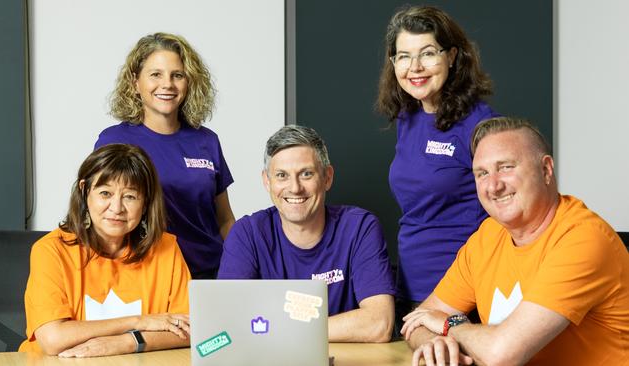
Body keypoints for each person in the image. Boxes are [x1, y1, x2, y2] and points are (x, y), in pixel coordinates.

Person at [401, 117, 629, 365]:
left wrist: (451, 326)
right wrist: (435, 343)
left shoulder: (583, 239)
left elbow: (502, 355)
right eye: (482, 173)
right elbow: (417, 321)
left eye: (506, 167)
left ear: (546, 170)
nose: (493, 185)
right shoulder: (487, 236)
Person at [375, 5, 498, 328]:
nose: (414, 67)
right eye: (403, 56)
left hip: (461, 297)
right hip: (410, 289)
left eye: (428, 53)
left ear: (453, 56)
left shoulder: (479, 124)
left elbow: (503, 216)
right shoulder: (409, 116)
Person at [218, 125, 395, 343]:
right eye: (282, 175)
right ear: (267, 181)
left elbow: (379, 324)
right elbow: (228, 323)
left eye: (306, 174)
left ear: (327, 177)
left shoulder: (359, 228)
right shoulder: (246, 234)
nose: (295, 188)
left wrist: (275, 330)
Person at [19, 144, 192, 357]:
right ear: (84, 191)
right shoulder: (51, 250)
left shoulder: (166, 249)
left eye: (130, 196)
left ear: (145, 202)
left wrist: (127, 342)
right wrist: (139, 322)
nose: (116, 208)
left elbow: (189, 330)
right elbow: (53, 340)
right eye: (105, 193)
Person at [95, 32, 234, 279]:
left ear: (189, 82)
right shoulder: (113, 141)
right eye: (155, 74)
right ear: (135, 82)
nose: (167, 84)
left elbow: (224, 219)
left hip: (208, 274)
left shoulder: (206, 140)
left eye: (177, 75)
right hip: (148, 276)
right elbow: (102, 215)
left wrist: (237, 268)